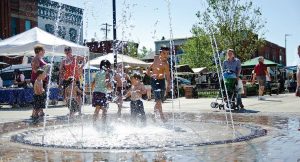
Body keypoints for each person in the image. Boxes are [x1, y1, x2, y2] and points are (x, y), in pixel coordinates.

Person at [147, 47, 171, 122]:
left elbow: (167, 75)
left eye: (167, 53)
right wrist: (149, 72)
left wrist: (169, 85)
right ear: (160, 53)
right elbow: (151, 66)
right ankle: (162, 116)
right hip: (154, 81)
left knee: (159, 100)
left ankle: (153, 115)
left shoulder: (166, 64)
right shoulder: (156, 58)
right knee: (158, 99)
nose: (166, 55)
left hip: (162, 81)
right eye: (164, 53)